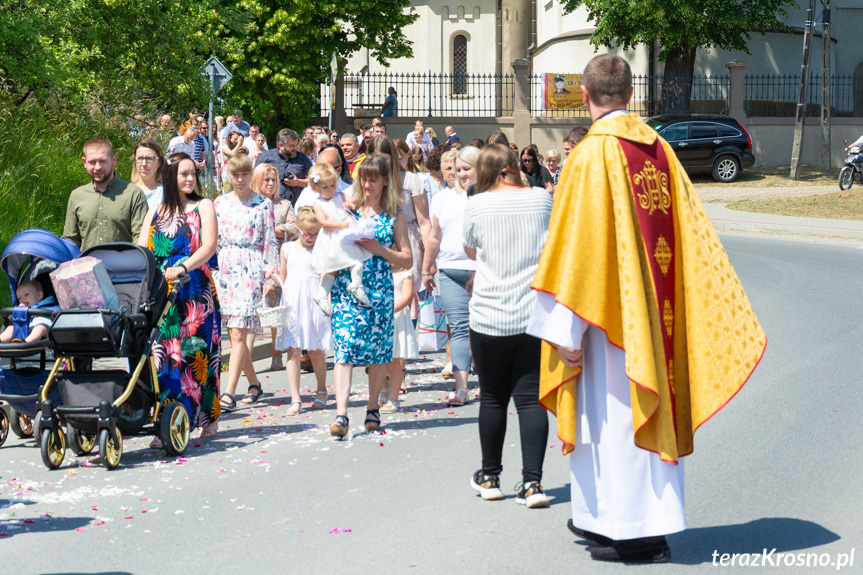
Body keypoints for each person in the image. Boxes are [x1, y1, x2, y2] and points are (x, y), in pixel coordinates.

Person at [526, 54, 767, 563]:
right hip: (655, 316)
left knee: (614, 421)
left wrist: (563, 333)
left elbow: (574, 250)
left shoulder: (591, 156)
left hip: (604, 323)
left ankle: (638, 535)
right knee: (621, 420)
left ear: (586, 96)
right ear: (631, 95)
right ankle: (604, 519)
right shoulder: (659, 149)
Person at [461, 143, 553, 507]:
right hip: (532, 313)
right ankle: (533, 484)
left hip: (489, 313)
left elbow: (470, 249)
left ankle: (490, 476)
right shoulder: (541, 200)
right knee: (531, 401)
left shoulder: (477, 204)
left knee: (494, 398)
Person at [136, 151, 221, 440]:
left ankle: (207, 419)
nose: (189, 178)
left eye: (192, 174)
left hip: (194, 291)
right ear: (171, 177)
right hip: (162, 294)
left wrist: (183, 266)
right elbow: (142, 250)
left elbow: (209, 246)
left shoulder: (203, 205)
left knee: (196, 354)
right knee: (164, 359)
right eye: (183, 173)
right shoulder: (155, 211)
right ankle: (167, 423)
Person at [328, 155, 413, 438]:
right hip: (346, 288)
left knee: (377, 352)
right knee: (344, 348)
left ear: (385, 180)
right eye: (363, 178)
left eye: (373, 178)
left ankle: (372, 407)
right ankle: (341, 414)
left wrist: (379, 249)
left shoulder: (395, 214)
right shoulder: (348, 210)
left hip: (379, 289)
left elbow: (407, 259)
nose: (367, 184)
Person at [214, 154, 279, 411]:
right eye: (235, 174)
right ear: (228, 176)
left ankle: (228, 392)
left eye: (244, 174)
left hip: (251, 267)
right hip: (225, 267)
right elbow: (214, 239)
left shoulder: (263, 204)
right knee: (234, 333)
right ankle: (254, 384)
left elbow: (270, 241)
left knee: (240, 332)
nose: (240, 179)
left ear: (250, 175)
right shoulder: (219, 203)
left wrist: (270, 275)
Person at [422, 146, 480, 404]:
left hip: (483, 272)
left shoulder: (487, 195)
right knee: (457, 328)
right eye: (457, 170)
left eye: (466, 169)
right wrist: (427, 267)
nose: (461, 174)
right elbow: (434, 235)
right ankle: (462, 388)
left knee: (483, 329)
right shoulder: (442, 198)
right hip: (449, 270)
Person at [277, 207, 333, 416]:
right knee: (293, 351)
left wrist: (326, 301)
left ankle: (321, 389)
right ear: (297, 229)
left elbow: (326, 277)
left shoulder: (321, 249)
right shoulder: (287, 249)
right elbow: (283, 275)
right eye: (307, 233)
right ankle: (295, 398)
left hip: (314, 300)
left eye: (315, 234)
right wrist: (272, 282)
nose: (311, 238)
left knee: (316, 350)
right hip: (293, 301)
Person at [63, 138, 148, 251]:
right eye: (92, 162)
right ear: (84, 162)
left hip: (124, 266)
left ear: (114, 160)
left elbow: (141, 238)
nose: (97, 167)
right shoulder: (77, 196)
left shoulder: (133, 193)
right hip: (86, 266)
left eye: (102, 161)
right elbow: (71, 240)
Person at [366, 136, 432, 282]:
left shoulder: (410, 180)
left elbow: (424, 222)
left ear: (393, 158)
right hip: (373, 244)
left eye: (384, 159)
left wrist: (429, 262)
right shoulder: (364, 182)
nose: (379, 164)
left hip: (406, 244)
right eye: (375, 158)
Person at [309, 163, 372, 313]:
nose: (330, 190)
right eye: (325, 187)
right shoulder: (318, 203)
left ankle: (356, 284)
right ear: (316, 187)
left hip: (346, 235)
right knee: (334, 268)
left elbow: (355, 200)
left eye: (332, 185)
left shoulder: (340, 195)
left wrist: (349, 203)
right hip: (333, 238)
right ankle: (323, 294)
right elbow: (323, 222)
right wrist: (342, 225)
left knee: (357, 260)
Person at [253, 163, 298, 371]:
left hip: (279, 263)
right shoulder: (251, 204)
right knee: (253, 312)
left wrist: (275, 229)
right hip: (254, 261)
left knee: (275, 307)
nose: (270, 184)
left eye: (273, 180)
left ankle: (276, 352)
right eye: (266, 180)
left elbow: (295, 227)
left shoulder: (284, 205)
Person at [380, 265, 417, 413]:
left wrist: (388, 310)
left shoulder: (405, 272)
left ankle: (393, 398)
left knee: (395, 359)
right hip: (376, 317)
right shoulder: (374, 267)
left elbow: (407, 297)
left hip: (396, 316)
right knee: (375, 360)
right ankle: (384, 387)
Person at [255, 128, 312, 204]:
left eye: (296, 145)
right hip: (270, 206)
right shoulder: (265, 158)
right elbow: (254, 181)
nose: (296, 148)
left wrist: (298, 182)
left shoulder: (303, 158)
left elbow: (313, 181)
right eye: (292, 146)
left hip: (295, 206)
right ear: (281, 145)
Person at [130, 139, 166, 209]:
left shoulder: (167, 193)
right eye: (140, 158)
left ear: (160, 162)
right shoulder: (127, 191)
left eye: (149, 159)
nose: (144, 164)